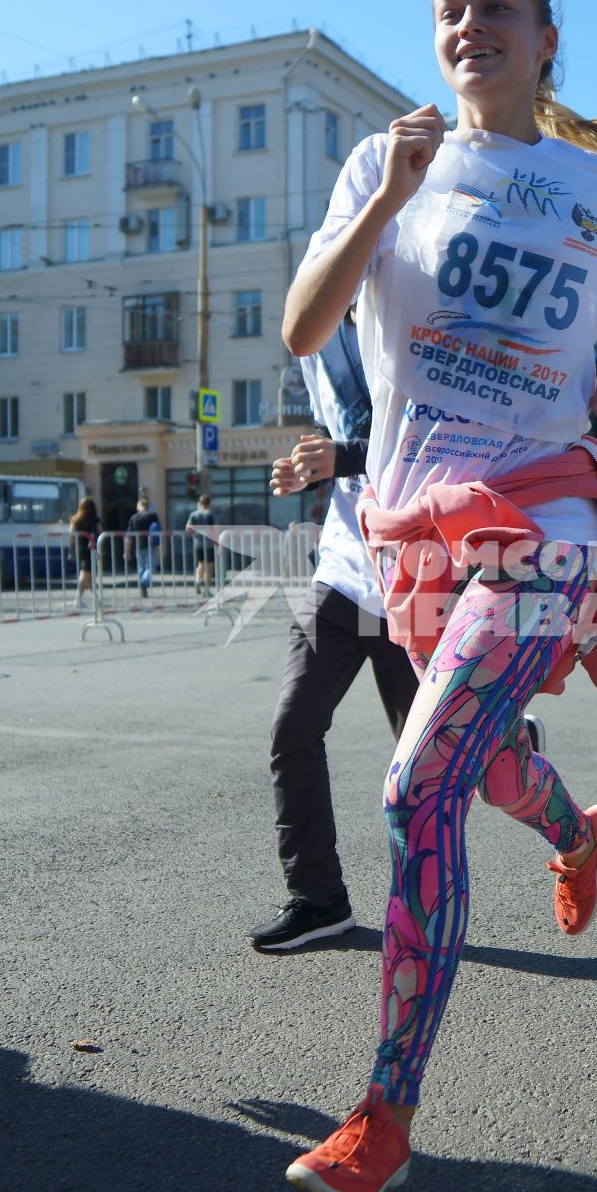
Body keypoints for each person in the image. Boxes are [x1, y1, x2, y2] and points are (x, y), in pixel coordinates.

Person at [277, 0, 597, 1192]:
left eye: (494, 5)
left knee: (416, 783)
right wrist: (388, 197)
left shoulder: (588, 183)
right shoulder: (384, 160)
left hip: (545, 509)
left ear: (544, 39)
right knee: (486, 763)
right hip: (415, 528)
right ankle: (574, 824)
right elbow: (300, 327)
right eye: (448, 11)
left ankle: (386, 1108)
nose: (468, 25)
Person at [253, 317, 420, 952]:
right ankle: (319, 900)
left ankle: (504, 743)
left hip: (418, 579)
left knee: (433, 762)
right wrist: (314, 466)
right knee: (292, 727)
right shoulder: (316, 340)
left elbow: (441, 440)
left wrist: (344, 455)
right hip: (344, 574)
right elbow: (346, 430)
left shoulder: (424, 307)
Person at [127, 494, 161, 599]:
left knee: (141, 567)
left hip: (139, 544)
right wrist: (160, 544)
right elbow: (157, 530)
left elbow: (129, 536)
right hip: (151, 543)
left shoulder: (134, 517)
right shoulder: (152, 515)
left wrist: (127, 550)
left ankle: (143, 587)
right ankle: (144, 582)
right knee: (150, 567)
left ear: (139, 505)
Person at [69, 496, 100, 609]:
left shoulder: (75, 519)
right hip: (91, 547)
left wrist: (72, 546)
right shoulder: (94, 519)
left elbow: (71, 534)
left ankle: (96, 598)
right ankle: (78, 598)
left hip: (80, 547)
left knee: (89, 574)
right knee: (85, 573)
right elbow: (100, 531)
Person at [185, 493, 217, 600]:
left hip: (197, 543)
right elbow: (215, 529)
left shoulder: (194, 515)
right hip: (209, 543)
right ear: (209, 503)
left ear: (200, 503)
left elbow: (188, 529)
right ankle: (206, 589)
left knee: (200, 565)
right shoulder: (211, 514)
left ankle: (198, 581)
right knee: (209, 567)